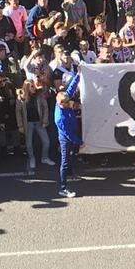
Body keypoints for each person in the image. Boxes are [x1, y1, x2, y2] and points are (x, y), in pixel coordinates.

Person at [54, 66, 82, 198]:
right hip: (66, 139)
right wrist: (79, 141)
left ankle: (70, 173)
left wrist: (78, 75)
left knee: (72, 156)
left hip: (72, 135)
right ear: (60, 103)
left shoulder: (64, 99)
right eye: (65, 103)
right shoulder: (60, 117)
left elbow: (71, 87)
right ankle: (63, 187)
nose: (68, 104)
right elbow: (67, 134)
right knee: (64, 162)